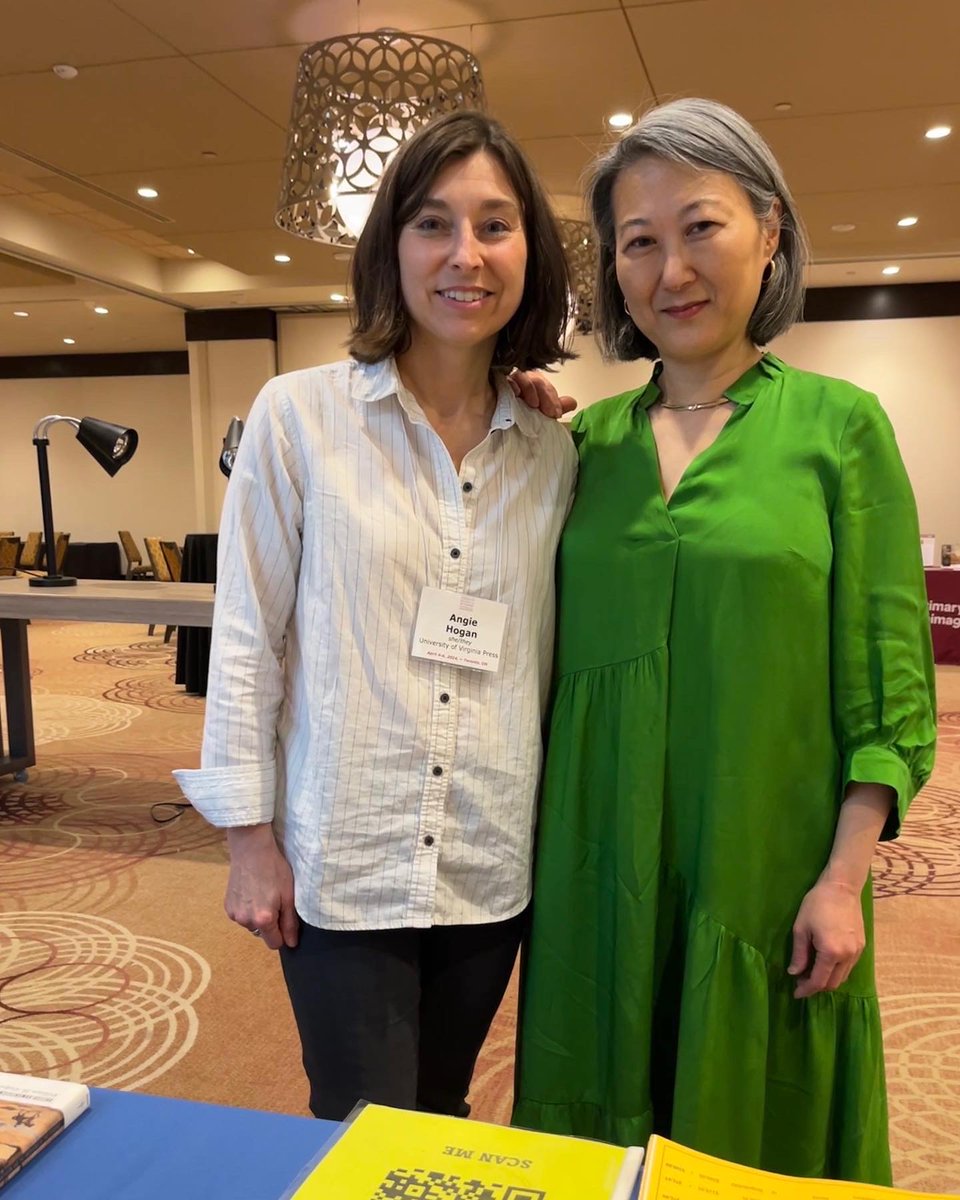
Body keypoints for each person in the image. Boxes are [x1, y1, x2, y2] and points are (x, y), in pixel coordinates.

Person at [511, 97, 936, 1185]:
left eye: (701, 227)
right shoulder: (580, 444)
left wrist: (844, 879)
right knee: (593, 1115)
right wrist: (495, 410)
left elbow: (886, 687)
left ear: (772, 231)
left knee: (753, 1127)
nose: (670, 271)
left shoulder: (840, 429)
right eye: (638, 244)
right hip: (596, 859)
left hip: (761, 858)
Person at [174, 110, 578, 1122]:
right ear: (390, 245)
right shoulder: (298, 416)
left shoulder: (551, 453)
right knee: (360, 1122)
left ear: (531, 249)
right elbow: (244, 640)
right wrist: (246, 838)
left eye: (495, 225)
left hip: (489, 857)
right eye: (434, 224)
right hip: (345, 856)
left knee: (440, 1111)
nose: (465, 256)